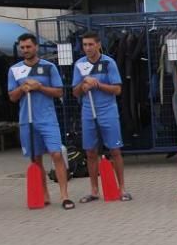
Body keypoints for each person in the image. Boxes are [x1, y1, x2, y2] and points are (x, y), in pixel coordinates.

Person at [7, 33, 73, 209]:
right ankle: (44, 195)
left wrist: (39, 87)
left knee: (56, 154)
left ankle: (64, 195)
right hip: (26, 120)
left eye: (28, 47)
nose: (25, 50)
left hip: (47, 119)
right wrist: (22, 88)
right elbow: (12, 97)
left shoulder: (49, 67)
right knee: (36, 159)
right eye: (22, 47)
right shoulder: (14, 70)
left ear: (36, 47)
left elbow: (59, 92)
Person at [72, 31, 132, 202]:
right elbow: (74, 92)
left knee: (115, 150)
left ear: (98, 44)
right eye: (85, 45)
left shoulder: (109, 63)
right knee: (90, 152)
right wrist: (83, 85)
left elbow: (117, 89)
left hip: (108, 112)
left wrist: (97, 84)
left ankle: (122, 189)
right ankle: (94, 190)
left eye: (91, 44)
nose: (88, 48)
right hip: (88, 112)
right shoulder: (79, 65)